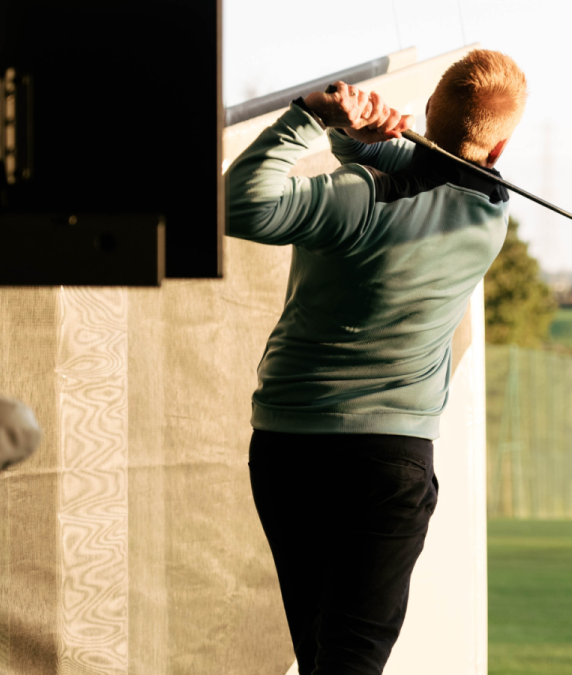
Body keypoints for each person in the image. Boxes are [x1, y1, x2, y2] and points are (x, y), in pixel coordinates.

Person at [225, 50, 528, 674]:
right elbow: (421, 168)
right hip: (390, 459)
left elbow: (238, 204)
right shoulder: (489, 214)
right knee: (349, 657)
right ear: (499, 153)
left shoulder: (353, 201)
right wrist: (354, 136)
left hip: (288, 444)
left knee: (319, 652)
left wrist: (311, 118)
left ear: (424, 117)